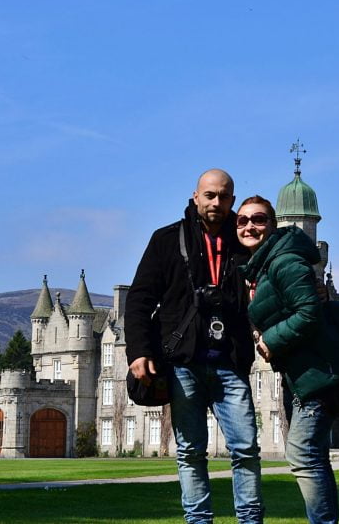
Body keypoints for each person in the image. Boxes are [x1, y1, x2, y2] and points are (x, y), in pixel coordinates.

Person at [125, 169, 263, 524]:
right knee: (190, 451)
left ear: (233, 199)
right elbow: (140, 299)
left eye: (224, 196)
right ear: (196, 196)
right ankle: (199, 521)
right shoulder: (168, 240)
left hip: (230, 363)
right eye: (210, 195)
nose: (217, 202)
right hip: (182, 363)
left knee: (245, 449)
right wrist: (138, 351)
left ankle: (250, 520)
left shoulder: (246, 240)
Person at [236, 194, 339, 524]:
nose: (250, 226)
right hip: (299, 374)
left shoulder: (286, 262)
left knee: (301, 453)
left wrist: (269, 339)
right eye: (242, 221)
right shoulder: (260, 268)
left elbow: (309, 314)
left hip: (315, 373)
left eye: (259, 220)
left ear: (274, 225)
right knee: (313, 456)